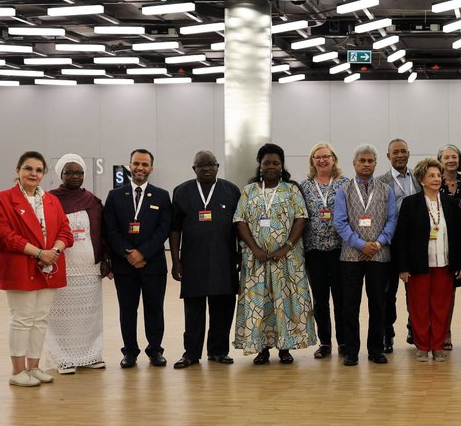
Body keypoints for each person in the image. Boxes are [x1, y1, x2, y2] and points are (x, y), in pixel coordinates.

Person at [0, 151, 74, 387]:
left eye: (38, 170)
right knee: (22, 319)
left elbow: (65, 231)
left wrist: (54, 252)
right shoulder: (3, 199)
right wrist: (38, 253)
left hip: (49, 265)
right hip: (20, 265)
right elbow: (3, 235)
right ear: (17, 171)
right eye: (28, 168)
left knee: (40, 319)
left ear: (44, 174)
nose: (33, 174)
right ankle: (17, 371)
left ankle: (33, 367)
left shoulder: (51, 200)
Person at [233, 143, 316, 363]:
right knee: (260, 303)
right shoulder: (249, 190)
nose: (271, 166)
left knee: (285, 302)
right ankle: (262, 348)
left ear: (282, 166)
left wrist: (286, 247)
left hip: (287, 260)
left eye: (276, 163)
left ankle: (285, 348)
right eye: (266, 162)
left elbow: (302, 218)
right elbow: (240, 221)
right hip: (256, 261)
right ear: (260, 165)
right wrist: (255, 248)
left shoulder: (291, 190)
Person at [170, 150, 241, 369]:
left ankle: (218, 351)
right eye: (201, 165)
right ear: (194, 169)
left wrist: (241, 255)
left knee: (223, 308)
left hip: (225, 260)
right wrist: (176, 260)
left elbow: (240, 226)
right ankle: (191, 353)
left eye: (211, 164)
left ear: (218, 166)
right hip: (193, 262)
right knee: (194, 311)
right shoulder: (181, 192)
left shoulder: (231, 191)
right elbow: (174, 230)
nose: (207, 168)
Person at [392, 157, 461, 361]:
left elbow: (459, 236)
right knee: (419, 307)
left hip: (444, 264)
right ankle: (423, 346)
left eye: (438, 175)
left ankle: (438, 345)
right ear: (422, 180)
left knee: (441, 306)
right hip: (418, 266)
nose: (436, 179)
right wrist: (403, 267)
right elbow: (402, 236)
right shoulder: (410, 203)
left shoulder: (451, 203)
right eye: (431, 176)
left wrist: (459, 263)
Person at [103, 148, 172, 368]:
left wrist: (143, 253)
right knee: (127, 310)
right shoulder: (115, 196)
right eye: (136, 163)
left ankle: (155, 350)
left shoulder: (162, 196)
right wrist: (128, 254)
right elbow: (110, 229)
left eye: (144, 164)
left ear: (151, 167)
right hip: (124, 266)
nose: (140, 168)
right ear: (129, 165)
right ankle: (130, 352)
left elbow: (163, 229)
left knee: (154, 309)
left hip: (153, 265)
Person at [335, 143, 398, 366]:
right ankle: (351, 351)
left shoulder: (385, 189)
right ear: (354, 163)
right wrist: (362, 245)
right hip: (351, 257)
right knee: (350, 305)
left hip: (379, 256)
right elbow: (340, 223)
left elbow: (392, 220)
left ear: (375, 163)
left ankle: (376, 350)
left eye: (370, 161)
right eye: (362, 160)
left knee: (378, 305)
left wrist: (378, 243)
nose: (366, 164)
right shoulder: (343, 190)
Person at [46, 154, 108, 374]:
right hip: (61, 263)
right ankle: (62, 357)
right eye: (70, 172)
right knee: (58, 313)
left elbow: (102, 232)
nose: (75, 176)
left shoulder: (92, 200)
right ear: (60, 175)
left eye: (79, 172)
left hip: (89, 265)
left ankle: (91, 355)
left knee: (89, 313)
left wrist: (105, 259)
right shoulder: (50, 199)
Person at [299, 142, 348, 360]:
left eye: (326, 156)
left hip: (340, 250)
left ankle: (344, 342)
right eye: (317, 157)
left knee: (341, 298)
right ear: (312, 161)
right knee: (319, 299)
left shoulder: (346, 184)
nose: (322, 160)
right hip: (314, 251)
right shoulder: (305, 186)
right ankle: (325, 342)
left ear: (334, 158)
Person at [379, 138, 416, 352]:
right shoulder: (381, 181)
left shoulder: (418, 178)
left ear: (409, 154)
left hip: (414, 244)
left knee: (414, 291)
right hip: (389, 243)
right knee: (387, 292)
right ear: (388, 156)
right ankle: (387, 334)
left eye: (403, 151)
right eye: (395, 152)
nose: (400, 155)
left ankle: (414, 328)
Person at [438, 143, 461, 350]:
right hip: (441, 241)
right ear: (440, 160)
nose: (451, 160)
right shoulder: (433, 182)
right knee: (446, 290)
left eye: (454, 157)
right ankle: (445, 332)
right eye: (447, 157)